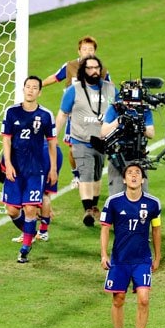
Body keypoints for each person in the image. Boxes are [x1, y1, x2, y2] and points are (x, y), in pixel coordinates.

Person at [100, 162, 162, 328]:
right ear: (124, 179)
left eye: (137, 173)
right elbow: (105, 228)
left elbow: (156, 230)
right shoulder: (113, 202)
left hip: (142, 259)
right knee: (118, 299)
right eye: (130, 173)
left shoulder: (153, 204)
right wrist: (103, 254)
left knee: (144, 299)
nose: (134, 176)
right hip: (119, 260)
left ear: (142, 179)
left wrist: (158, 256)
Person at [1, 76, 57, 263]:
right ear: (23, 89)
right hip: (15, 168)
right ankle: (30, 232)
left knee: (31, 208)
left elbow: (52, 143)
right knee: (11, 210)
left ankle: (25, 247)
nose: (30, 90)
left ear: (39, 92)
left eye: (34, 88)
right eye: (28, 87)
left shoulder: (46, 115)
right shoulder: (11, 112)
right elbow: (6, 139)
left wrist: (53, 168)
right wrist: (7, 164)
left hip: (35, 169)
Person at [42, 35, 111, 188]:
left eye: (90, 49)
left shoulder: (101, 70)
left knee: (94, 148)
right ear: (79, 51)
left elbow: (110, 88)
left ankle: (93, 175)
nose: (87, 52)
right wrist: (39, 84)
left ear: (94, 52)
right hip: (73, 115)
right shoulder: (70, 66)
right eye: (84, 49)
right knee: (73, 149)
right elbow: (55, 77)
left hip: (93, 116)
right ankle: (76, 175)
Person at [56, 56, 117, 226]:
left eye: (97, 67)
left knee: (97, 174)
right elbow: (62, 114)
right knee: (86, 173)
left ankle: (94, 206)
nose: (94, 71)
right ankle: (87, 210)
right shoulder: (73, 90)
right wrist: (53, 136)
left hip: (103, 140)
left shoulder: (111, 89)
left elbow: (121, 110)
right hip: (81, 140)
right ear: (83, 71)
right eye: (90, 68)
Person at [101, 97, 155, 195]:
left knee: (142, 195)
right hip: (119, 156)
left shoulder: (144, 110)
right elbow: (103, 132)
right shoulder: (115, 108)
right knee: (117, 194)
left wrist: (141, 125)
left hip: (138, 156)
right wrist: (118, 121)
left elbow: (151, 134)